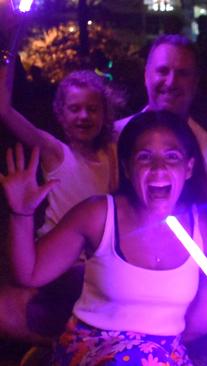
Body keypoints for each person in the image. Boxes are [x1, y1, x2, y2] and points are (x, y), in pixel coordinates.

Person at [0, 111, 207, 365]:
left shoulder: (205, 228)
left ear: (188, 168)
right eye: (145, 157)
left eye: (172, 157)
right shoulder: (99, 214)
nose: (158, 167)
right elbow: (29, 274)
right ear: (127, 167)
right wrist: (21, 214)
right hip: (93, 347)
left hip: (164, 354)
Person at [0, 59, 122, 342]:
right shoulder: (55, 153)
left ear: (105, 115)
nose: (83, 116)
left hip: (95, 260)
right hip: (58, 263)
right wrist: (8, 53)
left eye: (92, 109)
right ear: (61, 114)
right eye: (74, 109)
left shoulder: (112, 153)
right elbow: (5, 111)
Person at [114, 34, 207, 241]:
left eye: (182, 73)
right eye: (163, 71)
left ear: (195, 82)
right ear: (146, 76)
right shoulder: (114, 137)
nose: (171, 81)